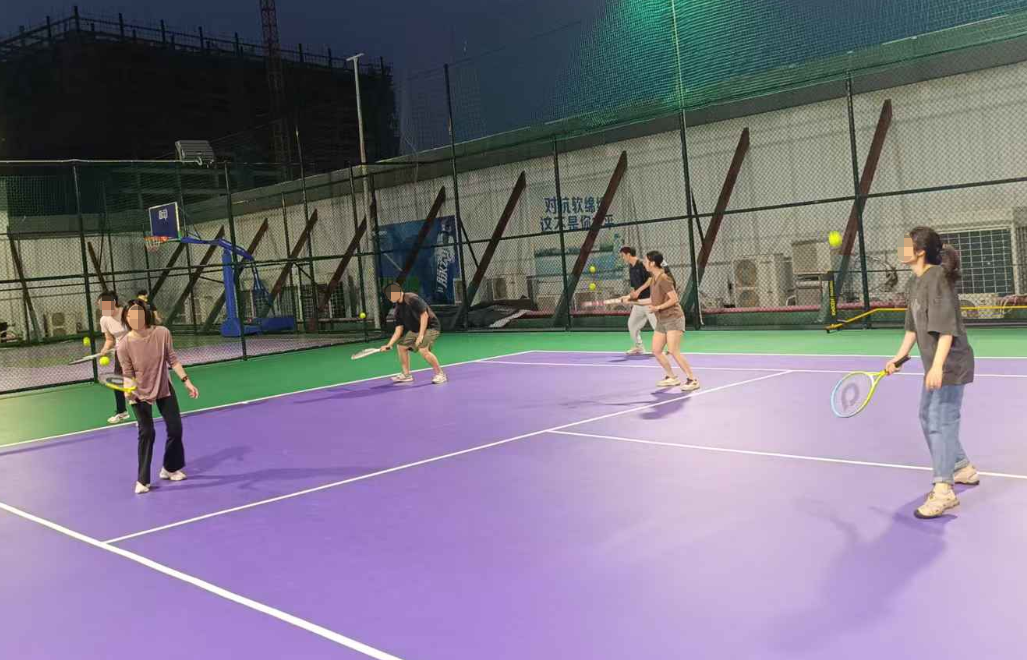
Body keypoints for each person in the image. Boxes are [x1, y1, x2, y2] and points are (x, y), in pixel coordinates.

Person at [885, 227, 977, 519]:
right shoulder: (915, 282)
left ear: (920, 251)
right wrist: (899, 357)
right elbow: (912, 328)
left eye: (905, 244)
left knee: (941, 420)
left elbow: (947, 328)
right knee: (927, 416)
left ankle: (944, 490)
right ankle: (962, 467)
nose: (900, 249)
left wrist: (937, 366)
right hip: (935, 364)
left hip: (950, 364)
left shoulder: (937, 278)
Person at [117, 298, 199, 494]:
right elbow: (127, 374)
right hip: (139, 392)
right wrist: (129, 392)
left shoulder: (162, 333)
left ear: (145, 314)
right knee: (147, 432)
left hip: (163, 386)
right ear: (126, 318)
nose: (134, 318)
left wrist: (186, 381)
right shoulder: (124, 345)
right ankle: (142, 480)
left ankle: (169, 468)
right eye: (129, 315)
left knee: (175, 428)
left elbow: (173, 359)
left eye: (137, 313)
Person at [641, 251, 699, 392]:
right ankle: (672, 377)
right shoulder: (654, 279)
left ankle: (692, 379)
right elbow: (653, 300)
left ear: (652, 263)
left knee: (673, 350)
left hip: (673, 317)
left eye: (645, 260)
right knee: (656, 350)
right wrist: (631, 301)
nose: (644, 262)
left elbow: (674, 299)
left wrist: (657, 308)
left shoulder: (664, 279)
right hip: (662, 319)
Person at [379, 283, 447, 384]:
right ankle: (406, 375)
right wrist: (389, 344)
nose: (389, 297)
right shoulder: (398, 309)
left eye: (391, 294)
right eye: (388, 295)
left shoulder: (411, 298)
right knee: (401, 346)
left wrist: (421, 335)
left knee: (423, 349)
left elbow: (424, 315)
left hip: (431, 327)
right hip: (415, 330)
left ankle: (440, 374)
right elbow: (399, 329)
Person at [97, 292, 131, 424]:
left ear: (113, 302)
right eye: (100, 305)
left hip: (137, 350)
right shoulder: (104, 319)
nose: (102, 308)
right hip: (120, 352)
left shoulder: (127, 313)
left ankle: (145, 415)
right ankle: (122, 412)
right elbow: (109, 339)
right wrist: (105, 348)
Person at [620, 247, 657, 355]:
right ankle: (639, 347)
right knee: (632, 324)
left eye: (622, 255)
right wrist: (629, 296)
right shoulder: (631, 267)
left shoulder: (642, 264)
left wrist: (638, 291)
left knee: (657, 326)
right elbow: (634, 287)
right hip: (638, 303)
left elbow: (650, 279)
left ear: (628, 254)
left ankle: (663, 349)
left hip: (649, 301)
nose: (622, 258)